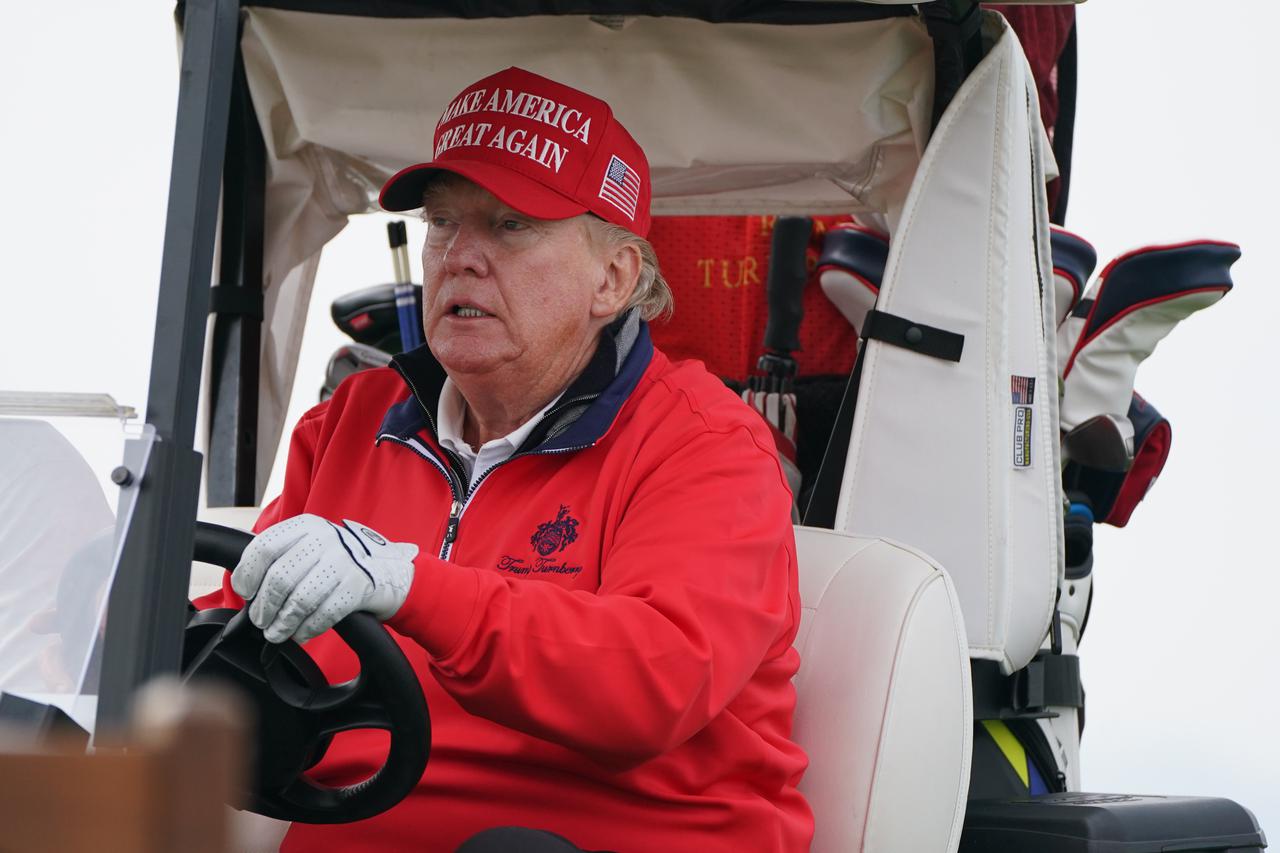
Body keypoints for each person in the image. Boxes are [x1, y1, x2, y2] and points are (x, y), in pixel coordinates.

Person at [200, 67, 812, 852]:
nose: (461, 256)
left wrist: (412, 585)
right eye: (443, 222)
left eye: (512, 225)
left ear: (614, 276)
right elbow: (236, 651)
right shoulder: (349, 423)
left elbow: (653, 682)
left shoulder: (705, 442)